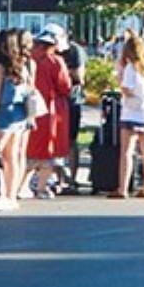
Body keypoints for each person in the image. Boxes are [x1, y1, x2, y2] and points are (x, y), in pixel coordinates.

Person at [0, 29, 35, 209]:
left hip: (4, 112)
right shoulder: (22, 67)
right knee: (12, 156)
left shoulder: (0, 68)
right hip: (19, 113)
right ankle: (11, 195)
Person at [111, 31, 144, 200]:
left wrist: (119, 77)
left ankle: (123, 188)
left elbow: (126, 88)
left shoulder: (131, 67)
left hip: (132, 112)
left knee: (127, 151)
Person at [25, 25, 72, 199]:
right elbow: (64, 86)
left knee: (29, 149)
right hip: (52, 109)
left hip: (30, 106)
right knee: (48, 151)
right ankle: (41, 187)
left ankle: (19, 186)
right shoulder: (55, 61)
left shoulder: (29, 58)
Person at [57, 25, 87, 194]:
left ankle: (73, 177)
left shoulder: (75, 51)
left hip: (72, 99)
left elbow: (79, 77)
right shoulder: (51, 51)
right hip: (55, 100)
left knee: (70, 139)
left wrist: (60, 70)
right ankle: (59, 177)